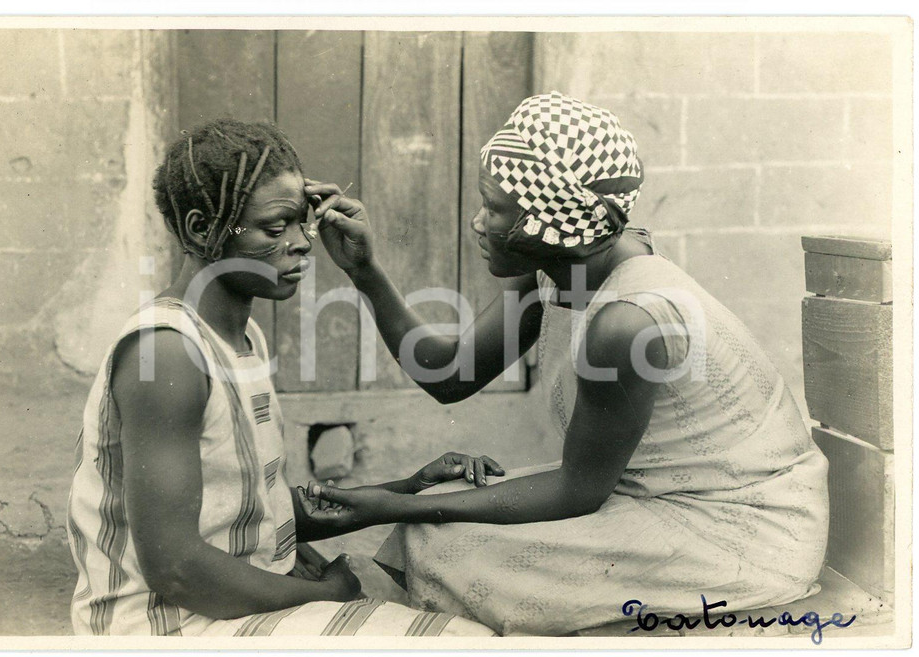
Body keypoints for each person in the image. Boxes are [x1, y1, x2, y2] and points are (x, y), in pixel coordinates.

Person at [302, 92, 829, 636]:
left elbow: (577, 491)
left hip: (737, 531)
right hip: (656, 495)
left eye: (494, 208)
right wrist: (364, 271)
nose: (478, 222)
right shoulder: (567, 267)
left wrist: (392, 505)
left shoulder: (626, 322)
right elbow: (448, 374)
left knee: (437, 535)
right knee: (433, 522)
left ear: (548, 221)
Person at [65, 119, 498, 637]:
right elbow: (175, 568)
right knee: (465, 639)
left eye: (301, 223)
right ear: (202, 230)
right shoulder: (169, 353)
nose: (302, 244)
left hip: (221, 607)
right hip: (165, 629)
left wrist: (409, 489)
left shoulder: (243, 337)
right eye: (275, 229)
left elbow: (254, 513)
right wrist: (326, 595)